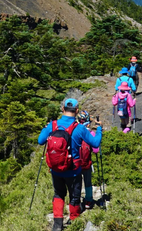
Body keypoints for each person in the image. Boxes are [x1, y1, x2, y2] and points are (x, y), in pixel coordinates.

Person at [38, 99, 102, 231]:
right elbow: (95, 143)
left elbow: (40, 141)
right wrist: (99, 129)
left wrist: (46, 128)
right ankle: (74, 219)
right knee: (74, 196)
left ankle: (57, 224)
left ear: (62, 109)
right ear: (77, 111)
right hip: (73, 171)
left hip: (56, 170)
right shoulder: (79, 128)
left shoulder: (52, 125)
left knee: (58, 194)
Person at [77, 110, 100, 210]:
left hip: (75, 163)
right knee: (88, 182)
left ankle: (76, 202)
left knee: (76, 183)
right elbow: (96, 150)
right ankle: (88, 200)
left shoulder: (75, 131)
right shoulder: (90, 133)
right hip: (87, 163)